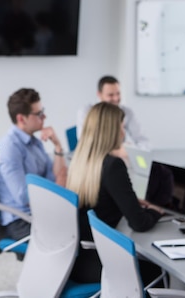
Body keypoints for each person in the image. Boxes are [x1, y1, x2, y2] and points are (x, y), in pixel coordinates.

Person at [66, 102, 165, 285]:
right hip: (102, 262)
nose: (123, 132)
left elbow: (99, 197)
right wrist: (156, 210)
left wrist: (131, 201)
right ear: (110, 130)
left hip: (76, 259)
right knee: (159, 269)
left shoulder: (80, 160)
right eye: (121, 126)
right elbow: (139, 223)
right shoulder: (112, 165)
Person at [0, 88, 68, 241]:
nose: (44, 116)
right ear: (22, 119)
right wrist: (57, 187)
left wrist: (58, 147)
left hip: (42, 211)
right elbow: (23, 197)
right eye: (39, 113)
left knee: (81, 220)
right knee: (71, 236)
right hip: (22, 220)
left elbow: (53, 175)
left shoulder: (34, 141)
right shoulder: (9, 148)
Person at [76, 75, 149, 155]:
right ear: (99, 94)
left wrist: (130, 150)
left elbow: (143, 141)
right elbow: (85, 142)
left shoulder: (126, 112)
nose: (116, 98)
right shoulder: (88, 112)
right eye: (110, 95)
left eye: (118, 93)